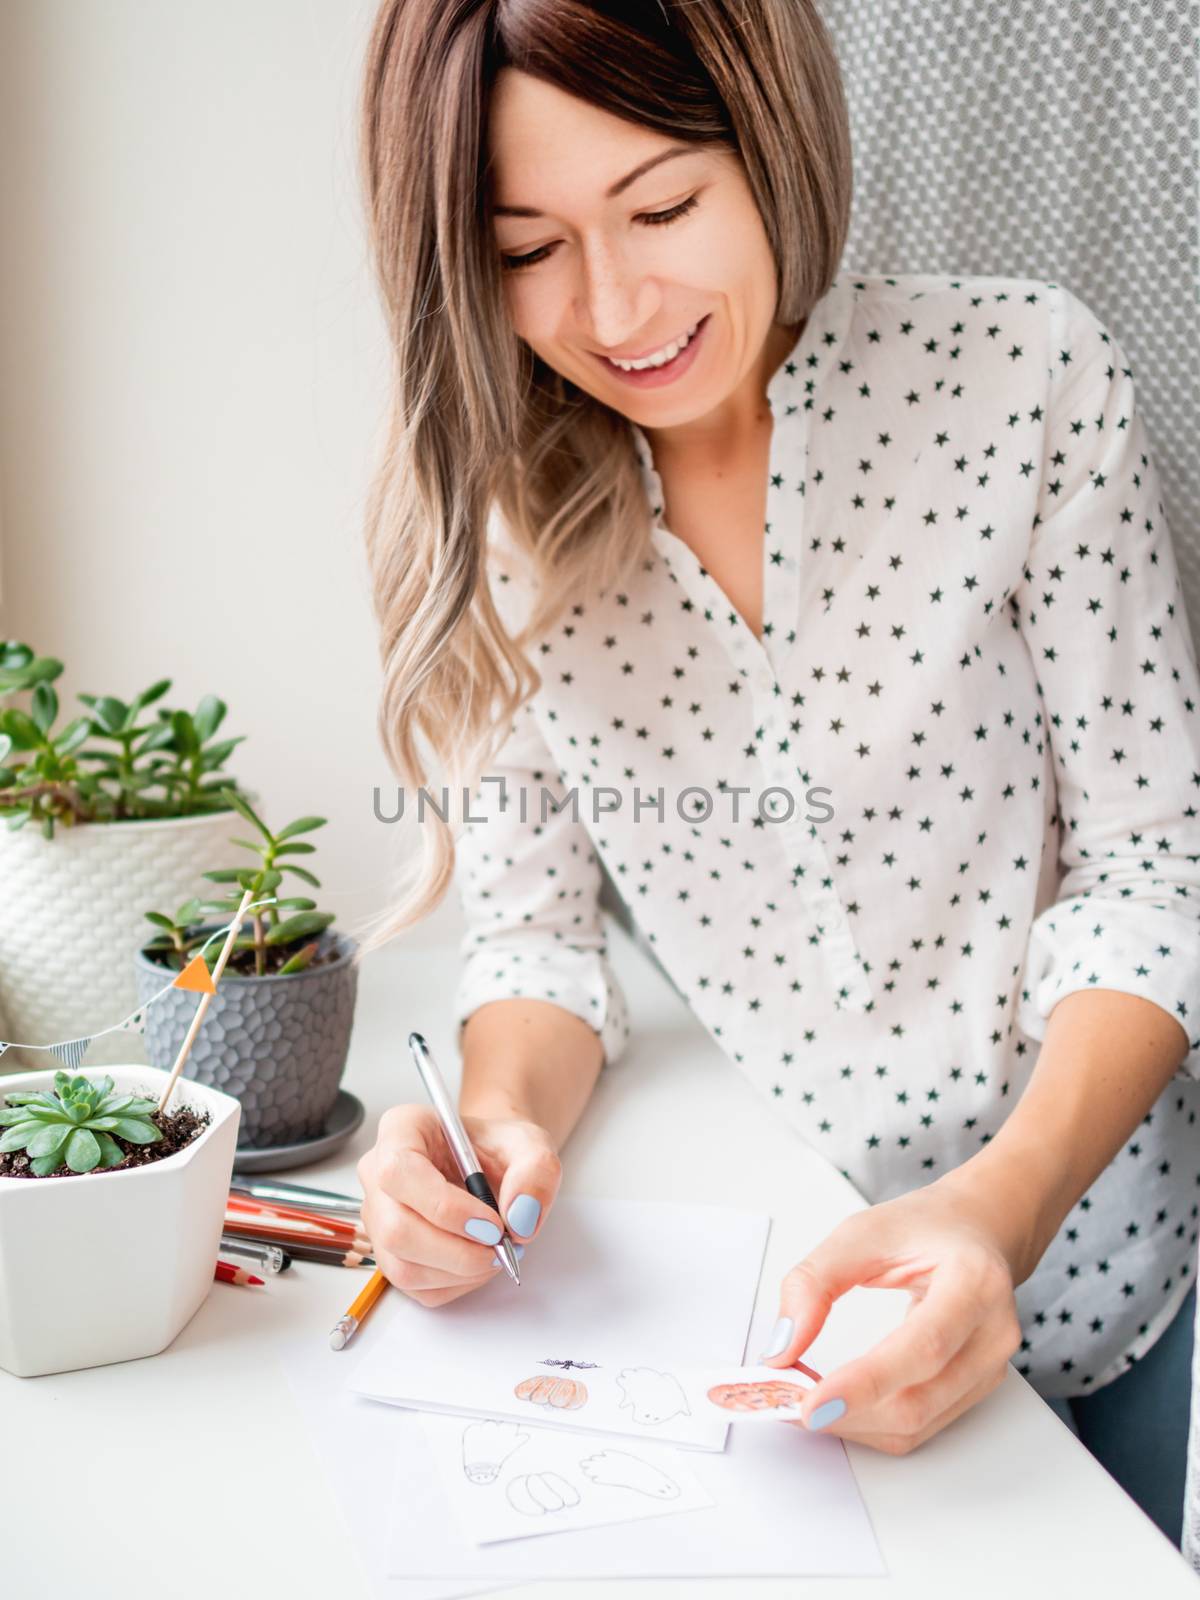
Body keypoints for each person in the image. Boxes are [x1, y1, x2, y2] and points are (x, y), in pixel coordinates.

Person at [351, 0, 1200, 1544]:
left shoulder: (1026, 377)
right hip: (771, 1302)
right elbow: (538, 943)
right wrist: (495, 1130)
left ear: (774, 137)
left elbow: (1156, 868)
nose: (615, 306)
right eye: (527, 246)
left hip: (1108, 1261)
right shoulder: (502, 520)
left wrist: (998, 1213)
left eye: (662, 204)